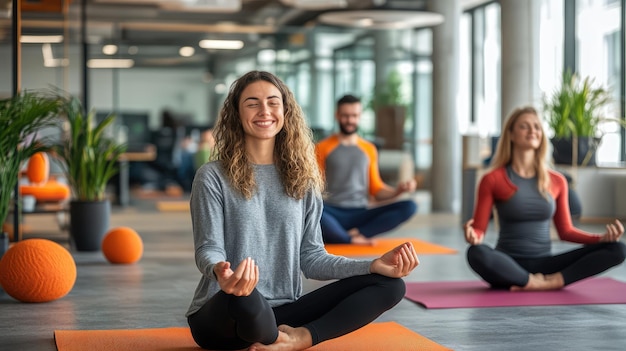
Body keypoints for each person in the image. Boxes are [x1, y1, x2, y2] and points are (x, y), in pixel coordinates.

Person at [186, 71, 420, 351]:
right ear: (236, 113)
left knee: (391, 285)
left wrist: (371, 264)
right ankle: (272, 339)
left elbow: (312, 258)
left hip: (283, 311)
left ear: (285, 110)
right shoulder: (212, 176)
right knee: (247, 298)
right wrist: (220, 271)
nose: (264, 111)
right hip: (223, 314)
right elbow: (208, 248)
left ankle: (300, 339)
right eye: (252, 103)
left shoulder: (302, 180)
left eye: (273, 102)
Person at [464, 106, 626, 291]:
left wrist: (601, 239)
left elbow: (566, 231)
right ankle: (532, 283)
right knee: (476, 253)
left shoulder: (557, 180)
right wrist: (473, 236)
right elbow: (478, 229)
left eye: (537, 127)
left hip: (547, 265)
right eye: (524, 126)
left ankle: (554, 281)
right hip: (507, 265)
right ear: (510, 134)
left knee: (618, 249)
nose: (533, 130)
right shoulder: (493, 179)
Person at [315, 94, 418, 245]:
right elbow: (314, 186)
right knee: (310, 210)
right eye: (345, 116)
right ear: (337, 115)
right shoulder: (322, 147)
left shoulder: (369, 149)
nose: (350, 120)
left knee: (409, 206)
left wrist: (399, 191)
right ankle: (349, 239)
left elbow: (376, 189)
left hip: (360, 213)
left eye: (354, 115)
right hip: (330, 212)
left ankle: (351, 234)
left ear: (360, 116)